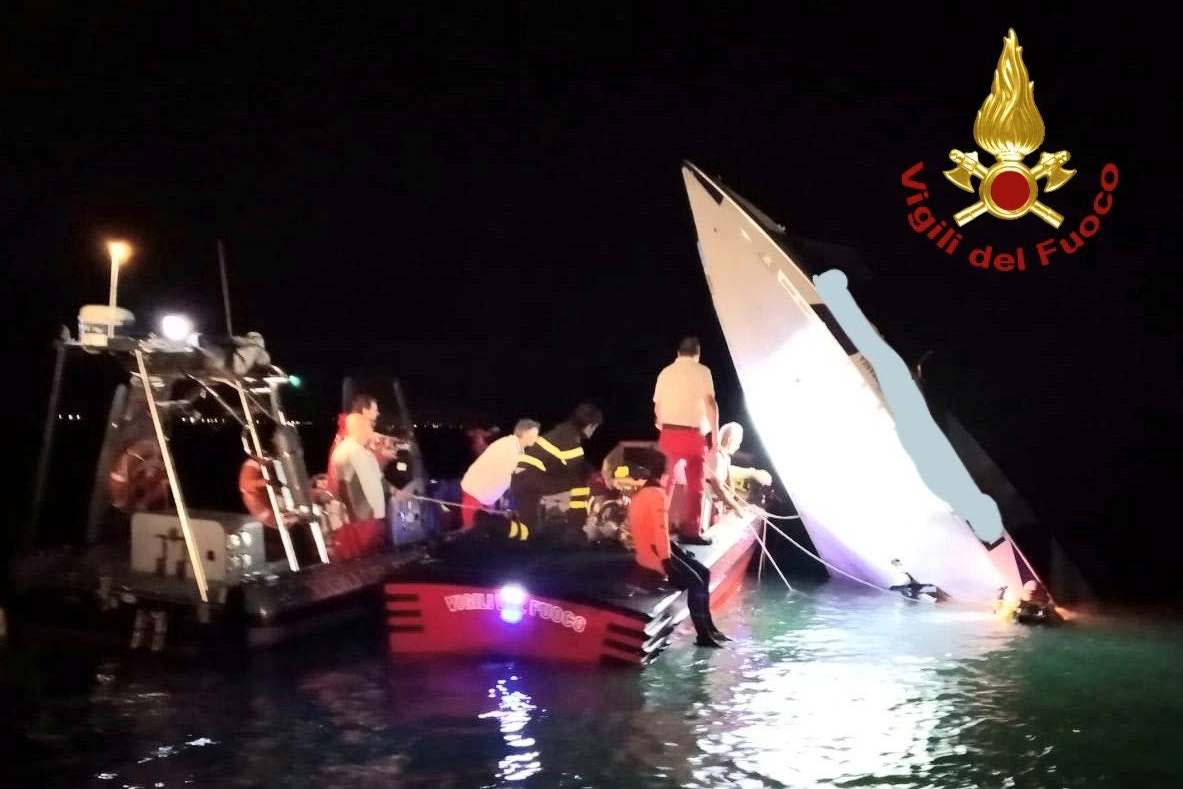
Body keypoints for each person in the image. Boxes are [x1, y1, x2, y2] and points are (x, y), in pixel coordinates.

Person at [628, 450, 729, 648]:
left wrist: (675, 552)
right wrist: (667, 565)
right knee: (696, 581)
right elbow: (659, 532)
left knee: (703, 573)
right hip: (655, 557)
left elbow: (656, 534)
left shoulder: (643, 493)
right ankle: (703, 634)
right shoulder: (656, 495)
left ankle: (709, 628)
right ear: (663, 472)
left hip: (655, 550)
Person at [653, 337, 719, 545]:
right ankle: (691, 531)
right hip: (694, 434)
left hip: (669, 432)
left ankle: (657, 531)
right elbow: (710, 403)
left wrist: (662, 422)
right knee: (695, 485)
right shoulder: (702, 371)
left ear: (678, 352)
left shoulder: (665, 372)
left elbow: (657, 407)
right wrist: (715, 437)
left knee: (665, 484)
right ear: (697, 354)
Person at [510, 403, 603, 537]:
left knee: (527, 525)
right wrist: (599, 475)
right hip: (532, 477)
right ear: (590, 425)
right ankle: (576, 527)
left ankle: (518, 541)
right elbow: (579, 467)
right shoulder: (570, 438)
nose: (593, 431)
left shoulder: (562, 431)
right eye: (595, 427)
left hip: (520, 479)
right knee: (580, 482)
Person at [459, 419, 540, 530]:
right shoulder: (508, 446)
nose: (536, 438)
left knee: (486, 532)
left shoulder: (517, 448)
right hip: (475, 494)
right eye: (534, 434)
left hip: (487, 497)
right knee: (473, 532)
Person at [329, 413, 388, 559]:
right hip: (362, 522)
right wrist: (356, 520)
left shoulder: (363, 452)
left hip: (372, 520)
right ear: (359, 428)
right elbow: (344, 487)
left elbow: (377, 479)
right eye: (369, 426)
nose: (372, 430)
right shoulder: (347, 451)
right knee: (363, 559)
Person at [704, 422, 772, 525]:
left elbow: (728, 486)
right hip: (707, 505)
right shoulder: (717, 457)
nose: (738, 447)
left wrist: (736, 502)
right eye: (738, 443)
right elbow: (718, 488)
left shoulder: (725, 458)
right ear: (730, 440)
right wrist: (736, 507)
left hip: (716, 507)